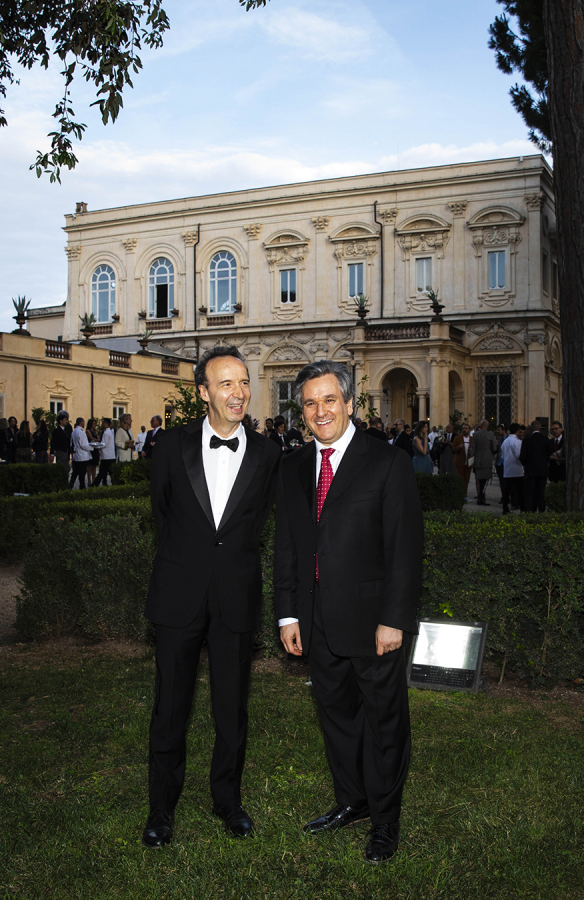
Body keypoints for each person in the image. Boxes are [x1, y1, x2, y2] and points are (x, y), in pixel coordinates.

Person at [274, 360, 423, 864]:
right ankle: (352, 800)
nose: (320, 411)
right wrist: (287, 615)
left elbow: (405, 549)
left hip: (373, 622)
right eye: (310, 403)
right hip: (315, 621)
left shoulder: (386, 462)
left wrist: (394, 619)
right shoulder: (292, 466)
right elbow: (288, 547)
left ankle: (385, 820)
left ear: (350, 403)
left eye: (329, 400)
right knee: (336, 718)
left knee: (384, 724)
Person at [143, 345, 280, 849]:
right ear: (203, 392)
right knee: (170, 707)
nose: (238, 393)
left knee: (231, 707)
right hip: (179, 592)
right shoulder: (170, 446)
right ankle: (161, 808)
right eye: (226, 384)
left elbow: (259, 520)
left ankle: (227, 799)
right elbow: (163, 515)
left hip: (235, 597)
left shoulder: (268, 454)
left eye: (243, 382)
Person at [519, 419, 551, 513]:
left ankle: (530, 512)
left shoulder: (527, 440)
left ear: (531, 429)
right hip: (542, 471)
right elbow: (548, 454)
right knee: (541, 493)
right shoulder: (545, 439)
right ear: (540, 429)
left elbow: (522, 456)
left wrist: (526, 464)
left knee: (530, 493)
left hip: (530, 471)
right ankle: (541, 511)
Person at [70, 418, 101, 490]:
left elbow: (72, 443)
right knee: (82, 473)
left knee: (75, 473)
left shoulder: (74, 431)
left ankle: (70, 486)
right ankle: (82, 487)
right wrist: (91, 447)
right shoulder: (82, 432)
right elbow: (83, 445)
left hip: (76, 456)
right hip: (82, 456)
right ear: (81, 423)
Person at [501, 423, 525, 514]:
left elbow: (502, 456)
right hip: (517, 469)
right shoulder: (517, 442)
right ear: (517, 431)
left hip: (507, 469)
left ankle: (505, 508)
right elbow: (519, 455)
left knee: (507, 490)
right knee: (520, 491)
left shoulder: (505, 441)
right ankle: (523, 508)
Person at [471, 420, 497, 506]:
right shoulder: (490, 435)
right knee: (485, 480)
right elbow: (494, 447)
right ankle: (482, 496)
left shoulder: (475, 435)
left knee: (479, 478)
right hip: (487, 459)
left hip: (478, 458)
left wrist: (471, 459)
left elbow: (472, 448)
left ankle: (480, 496)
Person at [452, 422, 474, 499]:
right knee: (460, 480)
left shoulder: (472, 439)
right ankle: (459, 495)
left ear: (469, 430)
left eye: (466, 428)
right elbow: (453, 449)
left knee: (466, 480)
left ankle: (464, 495)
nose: (464, 430)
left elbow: (475, 450)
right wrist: (458, 447)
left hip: (468, 462)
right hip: (460, 462)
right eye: (463, 428)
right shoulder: (457, 438)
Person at [94, 418, 116, 486]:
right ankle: (96, 483)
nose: (102, 424)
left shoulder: (107, 433)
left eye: (103, 423)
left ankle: (96, 484)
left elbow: (104, 444)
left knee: (104, 472)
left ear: (106, 423)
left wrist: (96, 446)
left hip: (107, 456)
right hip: (109, 455)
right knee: (103, 472)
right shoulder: (109, 432)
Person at [86, 419, 100, 485]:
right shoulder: (88, 431)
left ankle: (94, 480)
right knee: (90, 466)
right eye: (93, 424)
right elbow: (91, 438)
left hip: (95, 449)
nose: (94, 425)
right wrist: (98, 440)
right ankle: (89, 480)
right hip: (91, 449)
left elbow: (97, 437)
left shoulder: (95, 431)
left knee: (94, 465)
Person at [495, 424, 507, 497]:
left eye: (499, 430)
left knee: (506, 482)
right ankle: (503, 496)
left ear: (503, 430)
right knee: (501, 481)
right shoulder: (499, 439)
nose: (498, 432)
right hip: (499, 463)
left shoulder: (507, 439)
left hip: (505, 463)